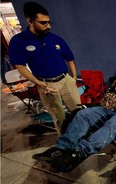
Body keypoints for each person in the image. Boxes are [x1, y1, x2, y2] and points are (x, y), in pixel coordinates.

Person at [32, 60, 116, 173]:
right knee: (83, 114)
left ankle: (79, 152)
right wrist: (108, 101)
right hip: (106, 109)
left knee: (112, 125)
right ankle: (61, 148)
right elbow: (109, 93)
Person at [8, 2, 81, 134]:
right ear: (30, 20)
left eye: (49, 22)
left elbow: (69, 58)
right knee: (59, 118)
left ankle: (82, 136)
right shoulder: (18, 41)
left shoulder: (55, 38)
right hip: (46, 85)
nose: (48, 26)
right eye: (43, 23)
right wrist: (39, 83)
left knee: (79, 112)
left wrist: (73, 78)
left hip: (66, 81)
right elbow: (21, 67)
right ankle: (66, 143)